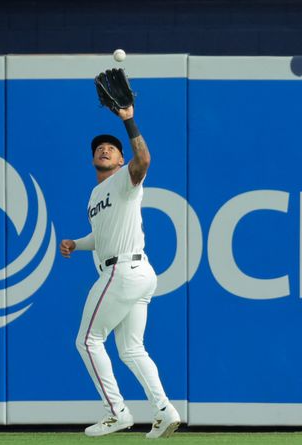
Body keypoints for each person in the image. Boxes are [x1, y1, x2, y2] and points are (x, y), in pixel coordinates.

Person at [59, 94, 181, 439]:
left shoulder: (127, 178)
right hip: (138, 274)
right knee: (131, 349)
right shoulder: (94, 196)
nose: (105, 149)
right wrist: (76, 244)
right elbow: (102, 236)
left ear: (120, 159)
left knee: (87, 340)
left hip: (124, 272)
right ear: (93, 157)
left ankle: (117, 412)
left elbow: (144, 158)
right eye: (100, 147)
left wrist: (128, 119)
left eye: (112, 148)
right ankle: (164, 410)